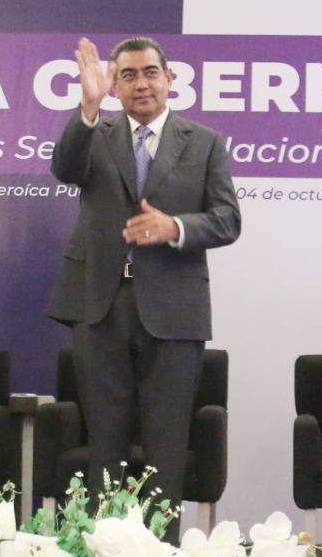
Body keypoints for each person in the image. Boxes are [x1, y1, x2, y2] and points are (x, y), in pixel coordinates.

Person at [46, 36, 240, 513]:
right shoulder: (96, 131)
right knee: (104, 441)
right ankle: (100, 553)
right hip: (99, 302)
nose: (141, 84)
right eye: (127, 75)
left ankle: (160, 555)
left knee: (166, 443)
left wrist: (176, 227)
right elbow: (65, 168)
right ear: (114, 85)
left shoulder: (205, 142)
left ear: (169, 79)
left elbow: (227, 220)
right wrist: (88, 107)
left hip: (174, 308)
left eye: (151, 72)